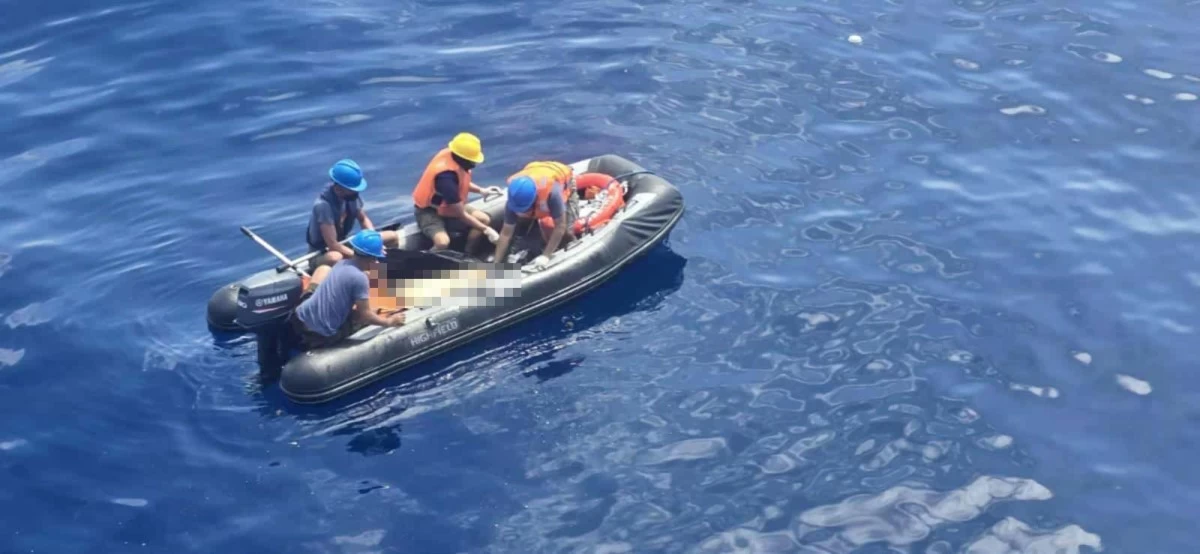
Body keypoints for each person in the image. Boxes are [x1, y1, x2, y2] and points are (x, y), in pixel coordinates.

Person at [288, 230, 406, 351]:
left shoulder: (342, 264)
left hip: (299, 319)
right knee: (373, 307)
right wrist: (389, 322)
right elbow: (366, 316)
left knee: (323, 269)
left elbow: (357, 275)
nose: (377, 262)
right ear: (372, 258)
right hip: (319, 335)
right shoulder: (359, 279)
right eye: (376, 258)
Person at [411, 133, 502, 253]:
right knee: (442, 242)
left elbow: (461, 182)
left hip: (448, 207)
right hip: (429, 211)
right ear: (462, 158)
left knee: (483, 219)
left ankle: (468, 253)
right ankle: (423, 261)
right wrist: (487, 230)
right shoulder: (445, 178)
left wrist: (481, 191)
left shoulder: (453, 160)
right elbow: (460, 214)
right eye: (471, 161)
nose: (474, 164)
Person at [306, 159, 399, 268]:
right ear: (338, 189)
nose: (356, 192)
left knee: (392, 236)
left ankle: (387, 271)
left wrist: (375, 242)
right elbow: (333, 245)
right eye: (352, 189)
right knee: (335, 257)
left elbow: (363, 219)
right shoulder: (323, 206)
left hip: (344, 243)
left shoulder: (351, 196)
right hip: (324, 252)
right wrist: (364, 256)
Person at [490, 160, 579, 270]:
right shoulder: (513, 201)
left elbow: (560, 225)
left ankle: (572, 245)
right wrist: (496, 263)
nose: (523, 211)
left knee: (566, 233)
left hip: (562, 183)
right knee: (523, 230)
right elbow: (506, 233)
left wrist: (545, 256)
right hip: (535, 174)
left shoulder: (552, 193)